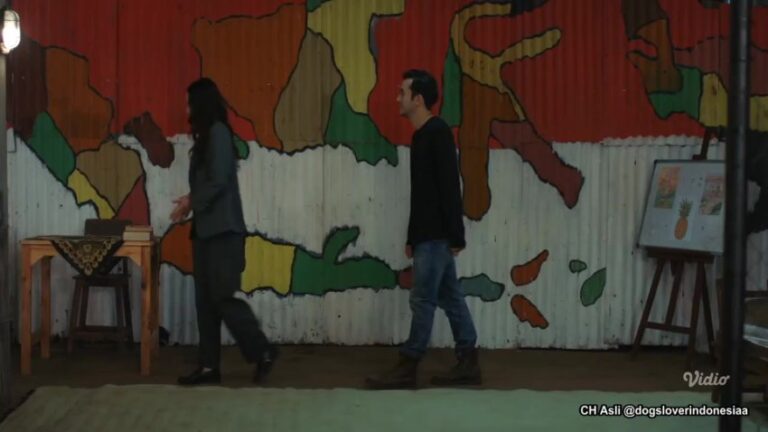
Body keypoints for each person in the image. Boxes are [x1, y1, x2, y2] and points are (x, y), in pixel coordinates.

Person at [365, 69, 481, 389]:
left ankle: (408, 365)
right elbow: (422, 194)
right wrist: (411, 237)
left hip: (437, 236)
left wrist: (456, 235)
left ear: (418, 99)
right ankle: (468, 362)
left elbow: (449, 186)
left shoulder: (437, 133)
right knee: (450, 297)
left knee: (422, 300)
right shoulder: (422, 136)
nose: (397, 98)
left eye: (402, 93)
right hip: (428, 235)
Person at [171, 77, 278, 385]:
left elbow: (219, 180)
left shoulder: (218, 133)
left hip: (224, 233)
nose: (186, 109)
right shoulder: (207, 137)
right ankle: (208, 367)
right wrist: (191, 200)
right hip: (206, 232)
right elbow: (211, 182)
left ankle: (262, 350)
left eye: (189, 103)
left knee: (222, 298)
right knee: (205, 302)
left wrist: (191, 201)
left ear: (200, 104)